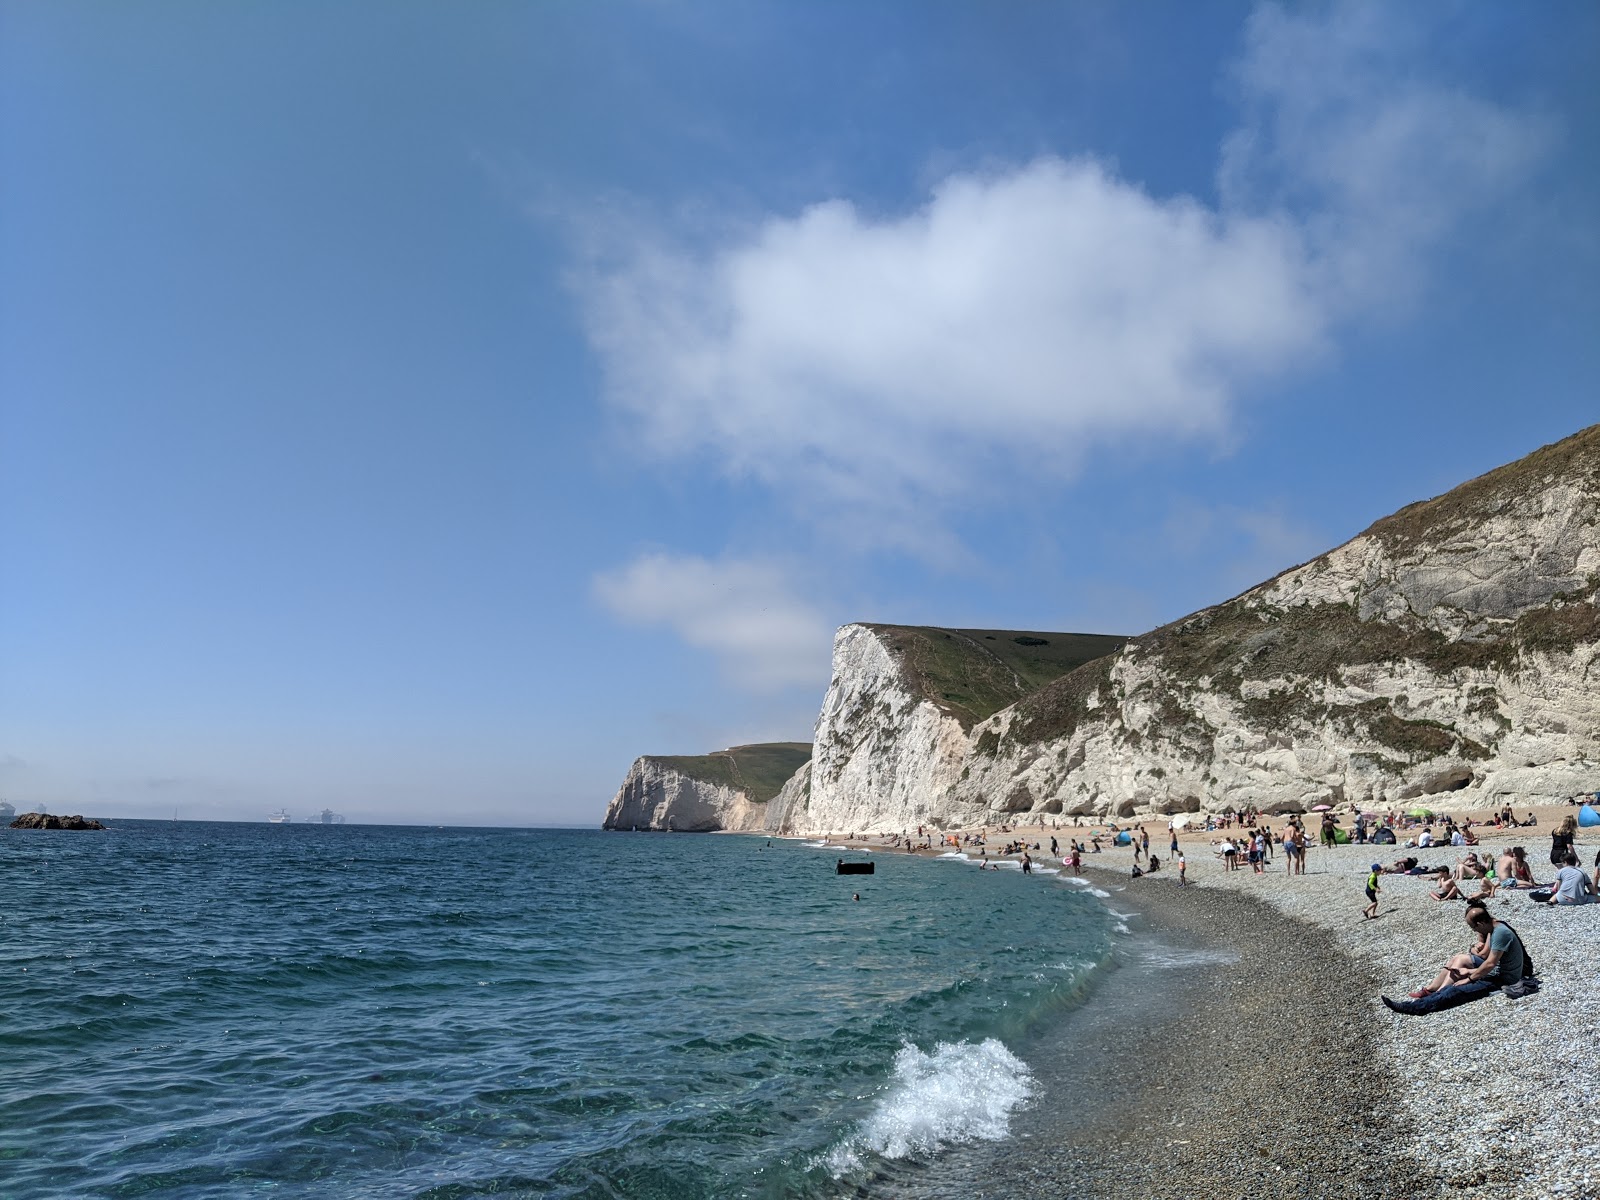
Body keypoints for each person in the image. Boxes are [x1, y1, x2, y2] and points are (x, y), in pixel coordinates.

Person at [1381, 903, 1531, 1015]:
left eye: (1474, 928)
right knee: (1455, 979)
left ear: (1480, 923)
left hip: (1504, 979)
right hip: (1497, 972)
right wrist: (1469, 970)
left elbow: (1490, 963)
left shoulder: (1500, 933)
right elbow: (1490, 962)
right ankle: (1423, 999)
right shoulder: (1495, 928)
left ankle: (1416, 1008)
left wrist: (1470, 978)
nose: (1475, 931)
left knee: (1456, 991)